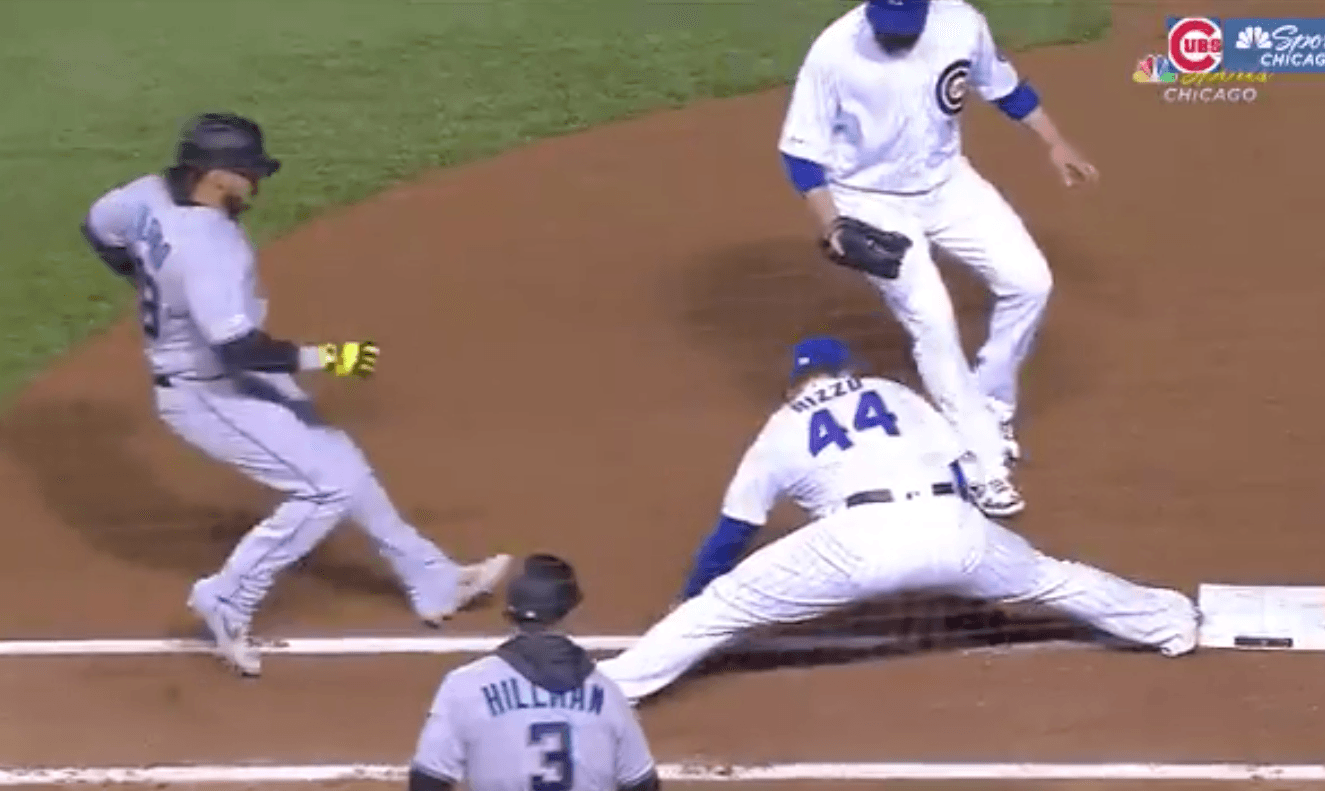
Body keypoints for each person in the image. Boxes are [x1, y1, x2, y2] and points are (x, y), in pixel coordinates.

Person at [79, 112, 511, 677]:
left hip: (225, 374)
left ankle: (433, 579)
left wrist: (147, 280)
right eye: (248, 171)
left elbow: (97, 229)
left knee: (343, 465)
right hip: (208, 391)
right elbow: (237, 349)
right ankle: (228, 598)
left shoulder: (146, 194)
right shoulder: (208, 247)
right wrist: (328, 358)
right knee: (325, 488)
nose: (257, 181)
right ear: (215, 174)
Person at [596, 336, 1198, 704]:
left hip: (855, 544)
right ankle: (1169, 623)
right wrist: (964, 558)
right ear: (847, 370)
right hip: (952, 524)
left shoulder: (782, 426)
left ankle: (613, 689)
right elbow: (959, 469)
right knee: (1050, 577)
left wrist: (693, 590)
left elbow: (735, 528)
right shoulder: (892, 391)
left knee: (721, 607)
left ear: (795, 384)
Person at [777, 0, 1101, 517]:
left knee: (1030, 282)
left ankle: (989, 404)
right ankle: (979, 460)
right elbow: (799, 153)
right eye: (887, 26)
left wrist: (1055, 143)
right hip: (868, 197)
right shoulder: (834, 52)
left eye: (906, 26)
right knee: (932, 318)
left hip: (949, 185)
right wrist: (834, 225)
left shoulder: (962, 24)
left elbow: (1006, 88)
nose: (896, 37)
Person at [409, 554, 660, 791]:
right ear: (571, 613)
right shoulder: (607, 695)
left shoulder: (464, 687)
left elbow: (427, 781)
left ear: (511, 614)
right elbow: (642, 784)